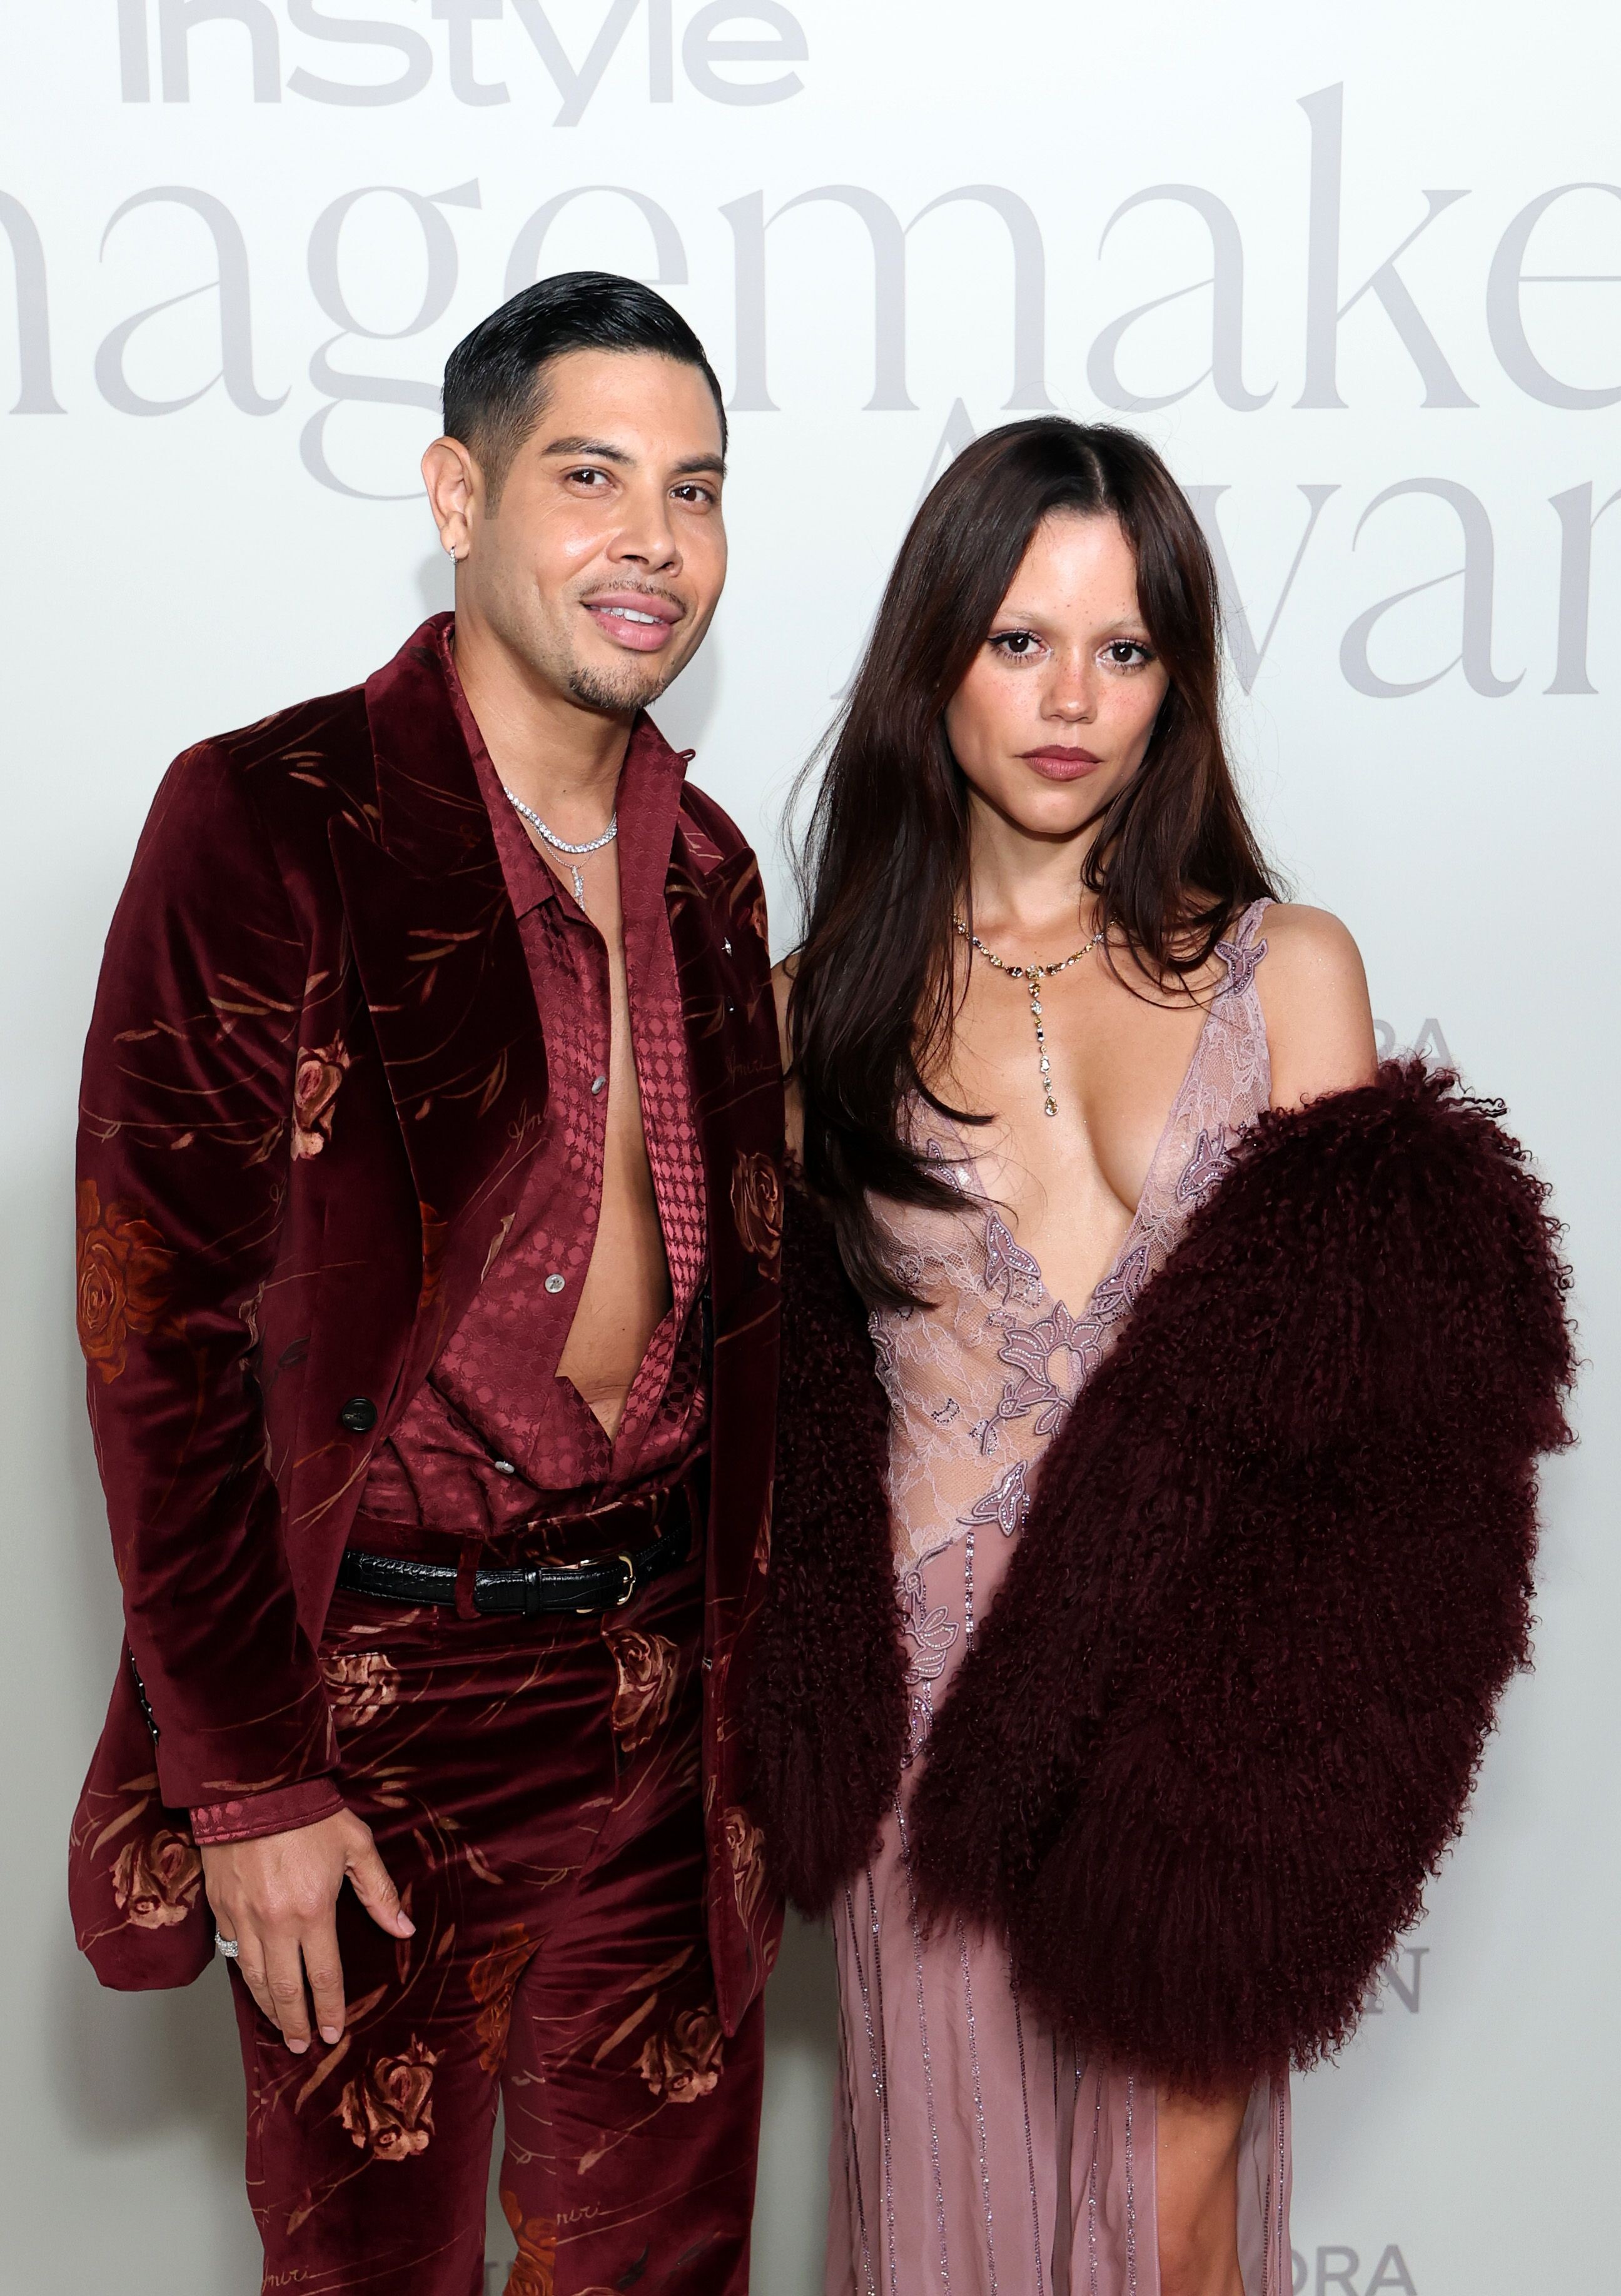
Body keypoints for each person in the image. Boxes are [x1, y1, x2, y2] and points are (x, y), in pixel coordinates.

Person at [746, 418, 1573, 2295]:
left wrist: (1291, 1795)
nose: (1073, 701)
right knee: (944, 2227)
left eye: (1124, 649)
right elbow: (773, 1411)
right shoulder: (810, 1019)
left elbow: (1381, 1453)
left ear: (1178, 681)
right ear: (935, 656)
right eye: (1020, 641)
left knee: (1173, 2230)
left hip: (1209, 1732)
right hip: (934, 1734)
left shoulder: (1291, 972)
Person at [67, 271, 784, 2296]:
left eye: (697, 488)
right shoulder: (269, 819)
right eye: (592, 477)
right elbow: (155, 1325)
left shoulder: (716, 875)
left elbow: (758, 1329)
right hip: (375, 1701)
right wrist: (247, 1778)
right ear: (458, 495)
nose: (656, 539)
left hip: (666, 1696)